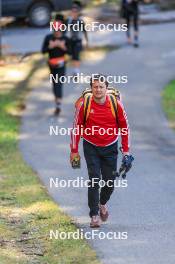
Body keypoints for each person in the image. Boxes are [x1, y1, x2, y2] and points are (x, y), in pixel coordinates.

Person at [70, 74, 131, 228]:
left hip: (110, 146)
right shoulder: (84, 104)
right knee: (94, 178)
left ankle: (102, 203)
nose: (98, 89)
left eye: (101, 87)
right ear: (91, 88)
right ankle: (94, 215)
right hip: (91, 146)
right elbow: (76, 128)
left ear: (106, 88)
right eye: (95, 87)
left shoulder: (116, 104)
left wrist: (126, 151)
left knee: (110, 181)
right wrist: (74, 150)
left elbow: (124, 128)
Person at [41, 18, 69, 116]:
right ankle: (57, 102)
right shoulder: (48, 38)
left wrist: (63, 47)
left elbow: (70, 52)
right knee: (54, 84)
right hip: (52, 65)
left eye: (58, 30)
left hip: (61, 65)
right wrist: (50, 47)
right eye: (55, 30)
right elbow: (43, 51)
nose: (57, 32)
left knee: (59, 84)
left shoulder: (65, 39)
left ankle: (58, 105)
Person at [66, 1, 88, 77]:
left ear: (78, 12)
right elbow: (65, 31)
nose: (74, 13)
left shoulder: (80, 21)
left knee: (76, 56)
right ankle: (75, 70)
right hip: (70, 41)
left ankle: (77, 72)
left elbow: (85, 32)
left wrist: (86, 41)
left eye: (75, 12)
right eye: (72, 11)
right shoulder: (69, 21)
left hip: (78, 41)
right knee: (72, 56)